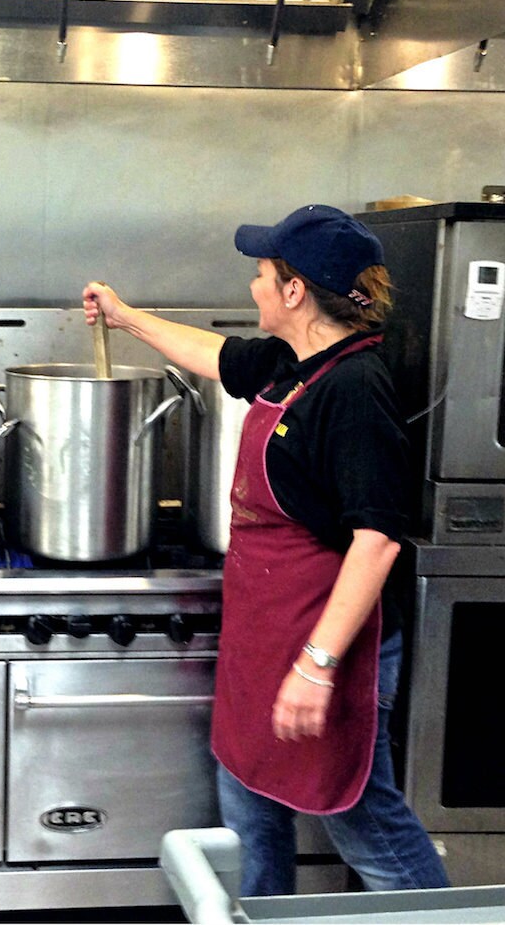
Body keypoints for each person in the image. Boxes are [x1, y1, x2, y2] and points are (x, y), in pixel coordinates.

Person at [82, 204, 451, 897]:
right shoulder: (294, 360)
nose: (251, 285)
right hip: (266, 638)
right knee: (249, 809)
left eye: (260, 272)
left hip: (327, 646)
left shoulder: (355, 389)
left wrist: (317, 665)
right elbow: (214, 355)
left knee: (362, 820)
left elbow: (376, 543)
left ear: (294, 291)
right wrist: (128, 316)